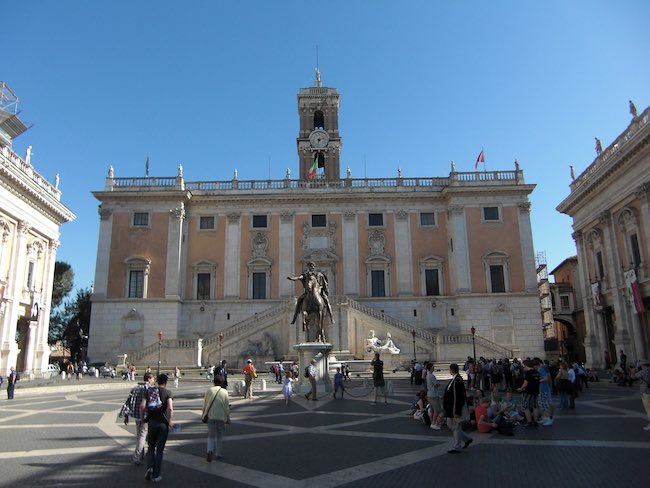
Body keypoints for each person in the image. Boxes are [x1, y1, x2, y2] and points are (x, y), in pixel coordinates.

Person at [141, 373, 174, 483]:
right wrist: (169, 421)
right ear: (166, 382)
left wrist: (143, 419)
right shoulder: (168, 393)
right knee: (159, 450)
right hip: (163, 424)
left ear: (157, 381)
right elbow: (170, 408)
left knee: (151, 447)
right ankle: (156, 475)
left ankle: (149, 467)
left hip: (152, 422)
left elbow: (142, 406)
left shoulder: (150, 391)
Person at [120, 372, 155, 464]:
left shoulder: (135, 388)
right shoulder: (150, 389)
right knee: (142, 436)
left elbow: (128, 402)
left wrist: (126, 416)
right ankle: (137, 456)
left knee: (139, 436)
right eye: (152, 379)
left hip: (137, 416)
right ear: (149, 379)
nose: (153, 380)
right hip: (146, 416)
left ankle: (141, 455)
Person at [443, 363, 473, 454]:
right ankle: (466, 439)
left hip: (454, 408)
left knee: (456, 427)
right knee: (450, 425)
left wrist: (456, 411)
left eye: (449, 369)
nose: (449, 371)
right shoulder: (455, 379)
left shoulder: (457, 380)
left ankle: (457, 447)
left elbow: (458, 397)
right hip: (450, 408)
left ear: (452, 370)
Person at [202, 373, 230, 461]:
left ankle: (210, 450)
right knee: (219, 436)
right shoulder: (224, 392)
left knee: (211, 435)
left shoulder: (209, 390)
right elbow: (226, 407)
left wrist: (203, 414)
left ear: (213, 382)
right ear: (222, 383)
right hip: (221, 416)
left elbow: (205, 404)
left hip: (211, 416)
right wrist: (228, 418)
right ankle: (218, 453)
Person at [517, 359, 540, 428]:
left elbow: (525, 383)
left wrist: (520, 388)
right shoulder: (537, 372)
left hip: (528, 392)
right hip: (536, 391)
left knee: (526, 407)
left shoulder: (528, 373)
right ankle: (535, 422)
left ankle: (529, 422)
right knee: (535, 406)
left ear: (526, 366)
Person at [632, 359, 650, 430]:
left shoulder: (643, 372)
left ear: (643, 365)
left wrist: (633, 371)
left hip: (646, 392)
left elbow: (633, 377)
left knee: (648, 409)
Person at [426, 362, 443, 430]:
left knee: (432, 409)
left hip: (429, 394)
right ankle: (433, 423)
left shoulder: (427, 375)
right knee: (437, 410)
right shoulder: (432, 376)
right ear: (430, 368)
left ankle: (432, 422)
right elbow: (436, 384)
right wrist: (438, 384)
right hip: (433, 394)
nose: (434, 368)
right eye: (433, 367)